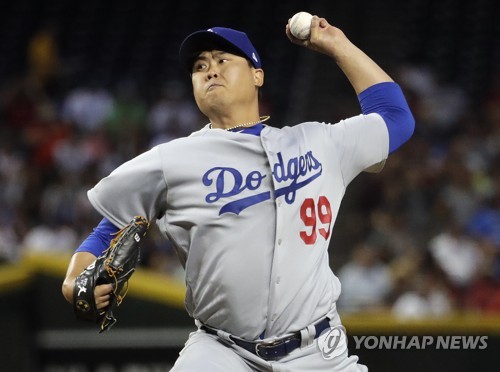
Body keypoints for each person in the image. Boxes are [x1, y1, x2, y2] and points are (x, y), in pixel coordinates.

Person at [62, 14, 414, 371]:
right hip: (221, 352)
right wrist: (74, 280)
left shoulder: (319, 142)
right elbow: (107, 231)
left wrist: (338, 45)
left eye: (222, 60)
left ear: (258, 75)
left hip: (320, 352)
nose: (210, 70)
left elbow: (396, 117)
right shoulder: (171, 160)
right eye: (200, 66)